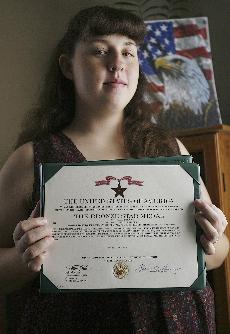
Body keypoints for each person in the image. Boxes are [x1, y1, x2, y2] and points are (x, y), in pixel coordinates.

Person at [0, 5, 229, 334]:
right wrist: (23, 259)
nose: (117, 63)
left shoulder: (170, 150)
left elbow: (219, 255)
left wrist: (212, 239)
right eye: (99, 50)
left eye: (129, 51)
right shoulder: (30, 159)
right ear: (67, 66)